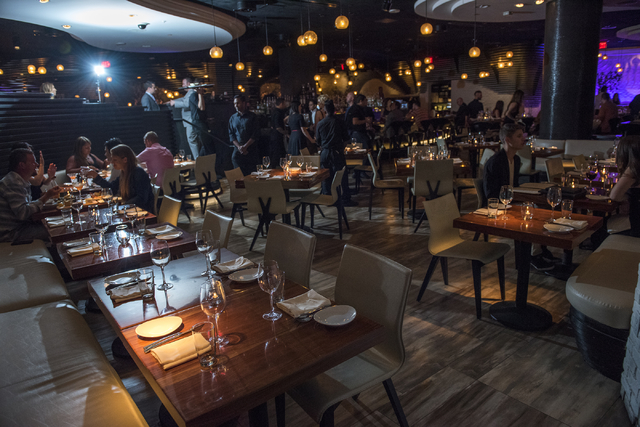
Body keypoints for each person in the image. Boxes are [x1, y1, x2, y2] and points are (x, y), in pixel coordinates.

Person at [484, 123, 555, 270]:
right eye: (519, 136)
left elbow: (514, 186)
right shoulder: (496, 162)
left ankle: (540, 249)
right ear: (508, 140)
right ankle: (533, 256)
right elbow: (491, 194)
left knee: (543, 210)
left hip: (509, 201)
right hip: (496, 205)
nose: (524, 139)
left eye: (523, 135)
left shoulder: (515, 160)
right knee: (532, 214)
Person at [0, 148, 62, 243]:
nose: (36, 165)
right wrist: (46, 197)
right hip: (11, 234)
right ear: (22, 165)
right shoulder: (12, 183)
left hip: (21, 227)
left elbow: (27, 206)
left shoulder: (20, 180)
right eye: (33, 162)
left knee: (57, 224)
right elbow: (23, 213)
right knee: (56, 230)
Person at [87, 144, 154, 213]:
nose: (112, 162)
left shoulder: (138, 173)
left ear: (125, 160)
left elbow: (142, 198)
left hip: (142, 212)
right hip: (130, 210)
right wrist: (96, 177)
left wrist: (123, 205)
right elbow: (112, 189)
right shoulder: (124, 173)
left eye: (115, 160)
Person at [316, 100, 349, 196]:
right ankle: (344, 197)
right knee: (341, 176)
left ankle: (327, 197)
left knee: (326, 176)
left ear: (325, 110)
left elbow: (318, 141)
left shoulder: (320, 123)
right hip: (337, 151)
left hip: (325, 153)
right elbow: (346, 138)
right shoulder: (340, 121)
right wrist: (341, 148)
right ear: (334, 109)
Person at [610, 135, 640, 238]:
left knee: (603, 230)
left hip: (637, 231)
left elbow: (614, 196)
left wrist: (626, 198)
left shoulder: (634, 170)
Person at [228, 95, 260, 176]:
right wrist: (239, 147)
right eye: (234, 104)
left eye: (238, 103)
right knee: (236, 166)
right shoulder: (232, 118)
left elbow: (255, 133)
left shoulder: (252, 116)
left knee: (251, 174)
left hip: (251, 148)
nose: (236, 105)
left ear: (244, 103)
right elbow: (231, 135)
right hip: (238, 149)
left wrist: (245, 146)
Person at [170, 76, 201, 160]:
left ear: (188, 84)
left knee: (192, 140)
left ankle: (197, 160)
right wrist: (174, 101)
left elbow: (186, 103)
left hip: (190, 121)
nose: (182, 86)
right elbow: (183, 99)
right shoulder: (189, 93)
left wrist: (174, 103)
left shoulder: (191, 92)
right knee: (193, 140)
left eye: (183, 84)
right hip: (190, 121)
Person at [269, 98, 288, 168]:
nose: (285, 105)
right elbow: (278, 127)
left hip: (273, 136)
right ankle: (277, 168)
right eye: (284, 103)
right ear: (281, 103)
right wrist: (285, 132)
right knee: (278, 153)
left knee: (275, 153)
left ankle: (276, 168)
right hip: (277, 137)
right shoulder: (278, 113)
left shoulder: (273, 111)